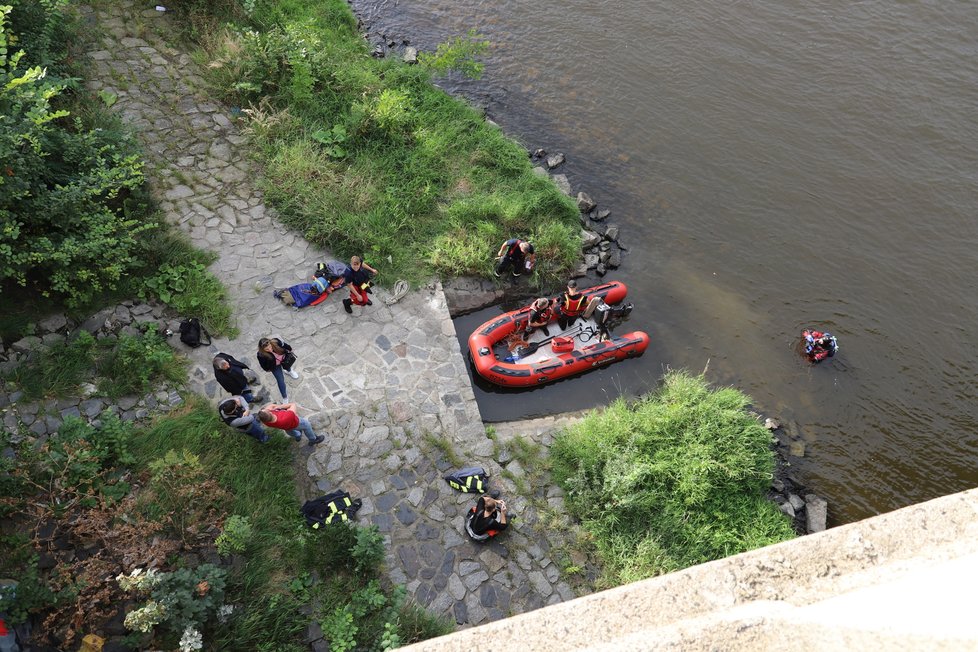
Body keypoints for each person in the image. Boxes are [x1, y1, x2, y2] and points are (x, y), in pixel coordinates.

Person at [257, 402, 325, 446]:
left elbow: (270, 406)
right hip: (297, 423)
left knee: (294, 432)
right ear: (271, 412)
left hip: (287, 428)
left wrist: (272, 409)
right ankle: (313, 440)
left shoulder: (265, 421)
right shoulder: (287, 416)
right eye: (266, 410)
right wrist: (279, 406)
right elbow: (293, 404)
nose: (266, 408)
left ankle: (298, 436)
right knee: (307, 425)